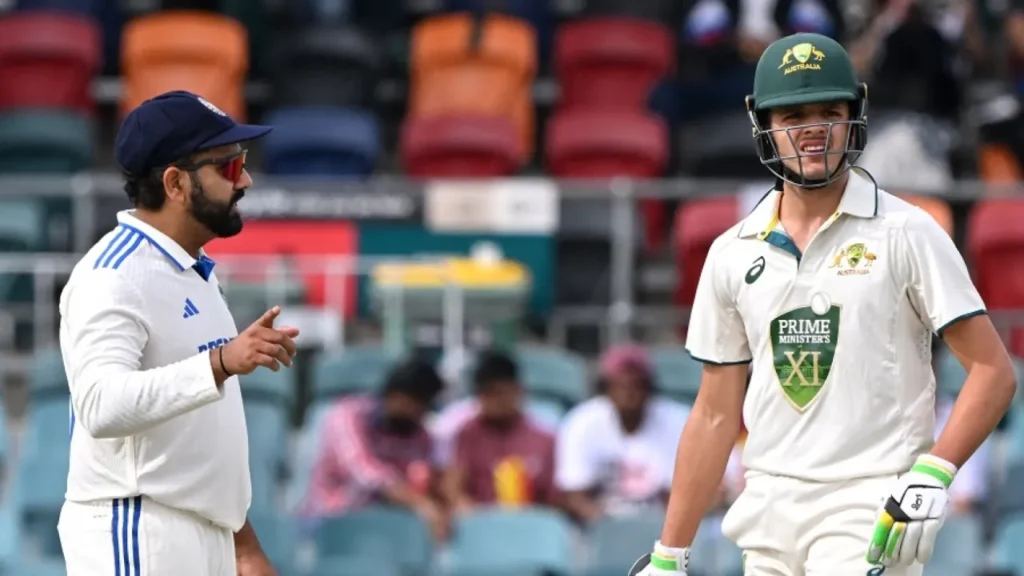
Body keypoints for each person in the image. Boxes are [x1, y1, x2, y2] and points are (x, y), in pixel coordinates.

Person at [630, 32, 1017, 576]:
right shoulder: (731, 252)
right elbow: (715, 413)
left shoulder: (908, 231)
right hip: (767, 512)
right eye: (792, 117)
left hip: (871, 504)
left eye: (828, 113)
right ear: (763, 125)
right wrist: (669, 556)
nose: (812, 131)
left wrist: (934, 472)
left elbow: (992, 370)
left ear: (853, 118)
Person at [58, 91, 299, 576]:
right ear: (175, 183)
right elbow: (100, 406)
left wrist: (242, 544)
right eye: (229, 167)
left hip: (197, 535)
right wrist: (221, 362)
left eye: (243, 162)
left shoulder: (191, 272)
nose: (245, 179)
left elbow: (192, 441)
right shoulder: (114, 274)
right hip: (138, 529)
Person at [302, 357, 448, 540]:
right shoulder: (348, 416)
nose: (422, 414)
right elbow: (365, 474)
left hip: (387, 529)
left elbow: (423, 478)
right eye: (420, 405)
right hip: (330, 525)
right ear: (399, 396)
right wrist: (419, 504)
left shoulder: (421, 435)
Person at [556, 344, 690, 523]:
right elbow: (574, 494)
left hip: (661, 524)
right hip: (599, 527)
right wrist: (611, 526)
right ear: (606, 388)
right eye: (620, 386)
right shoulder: (582, 422)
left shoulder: (677, 421)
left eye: (636, 385)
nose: (628, 394)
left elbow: (678, 496)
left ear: (649, 388)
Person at [441, 351, 558, 513]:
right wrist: (466, 509)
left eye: (499, 392)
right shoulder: (468, 434)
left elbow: (553, 500)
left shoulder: (544, 440)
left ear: (518, 390)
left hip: (529, 529)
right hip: (481, 526)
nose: (493, 401)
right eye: (486, 393)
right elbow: (453, 488)